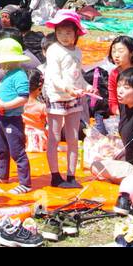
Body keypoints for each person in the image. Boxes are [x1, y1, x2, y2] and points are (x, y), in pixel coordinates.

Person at [44, 11, 90, 188]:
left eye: (69, 33)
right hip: (57, 96)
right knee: (54, 136)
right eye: (60, 32)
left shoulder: (77, 51)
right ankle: (55, 176)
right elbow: (54, 77)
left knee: (72, 136)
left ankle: (71, 175)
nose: (64, 36)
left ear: (76, 33)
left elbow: (77, 76)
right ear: (55, 32)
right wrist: (67, 88)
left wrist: (86, 87)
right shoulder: (54, 50)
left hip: (74, 95)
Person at [0, 36, 32, 193]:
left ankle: (25, 183)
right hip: (1, 118)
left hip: (12, 120)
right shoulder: (8, 74)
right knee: (1, 148)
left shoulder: (19, 74)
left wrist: (4, 105)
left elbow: (23, 97)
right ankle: (2, 175)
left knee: (17, 151)